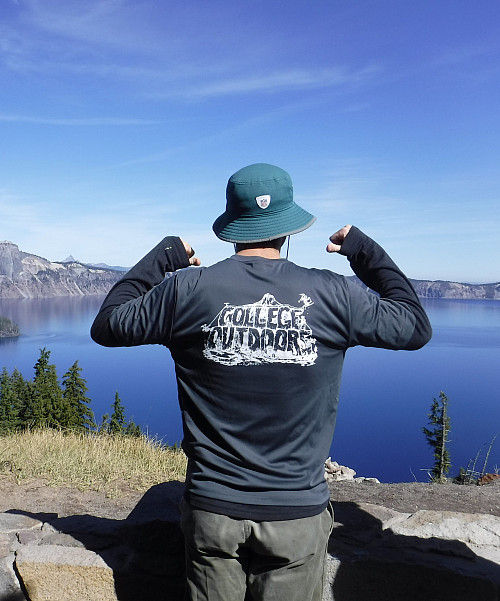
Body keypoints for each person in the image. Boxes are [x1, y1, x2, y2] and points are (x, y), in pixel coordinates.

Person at [91, 163, 432, 601]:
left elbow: (108, 323)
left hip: (211, 511)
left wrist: (168, 253)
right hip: (296, 517)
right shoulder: (334, 293)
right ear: (288, 228)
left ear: (234, 225)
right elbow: (414, 325)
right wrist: (362, 250)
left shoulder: (187, 290)